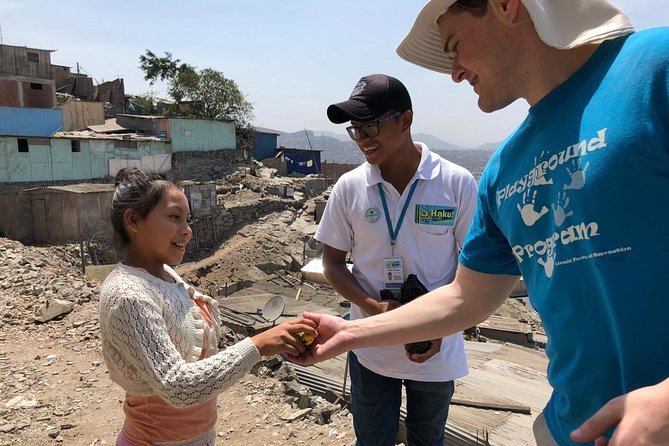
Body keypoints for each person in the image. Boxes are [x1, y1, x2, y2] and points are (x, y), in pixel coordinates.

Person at [293, 1, 669, 445]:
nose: (454, 72)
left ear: (508, 7)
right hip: (569, 428)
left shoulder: (654, 70)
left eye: (454, 46)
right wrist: (353, 331)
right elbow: (466, 297)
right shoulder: (504, 170)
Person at [314, 73, 478, 446]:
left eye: (370, 125)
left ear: (405, 120)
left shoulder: (456, 184)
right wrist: (375, 307)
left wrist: (438, 326)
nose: (363, 139)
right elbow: (333, 264)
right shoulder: (350, 187)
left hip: (434, 348)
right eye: (356, 130)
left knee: (428, 439)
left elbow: (472, 270)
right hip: (371, 348)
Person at [99, 167, 316, 446]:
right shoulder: (127, 296)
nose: (187, 230)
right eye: (174, 217)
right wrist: (258, 346)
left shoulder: (165, 275)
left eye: (187, 220)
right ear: (134, 221)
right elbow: (177, 387)